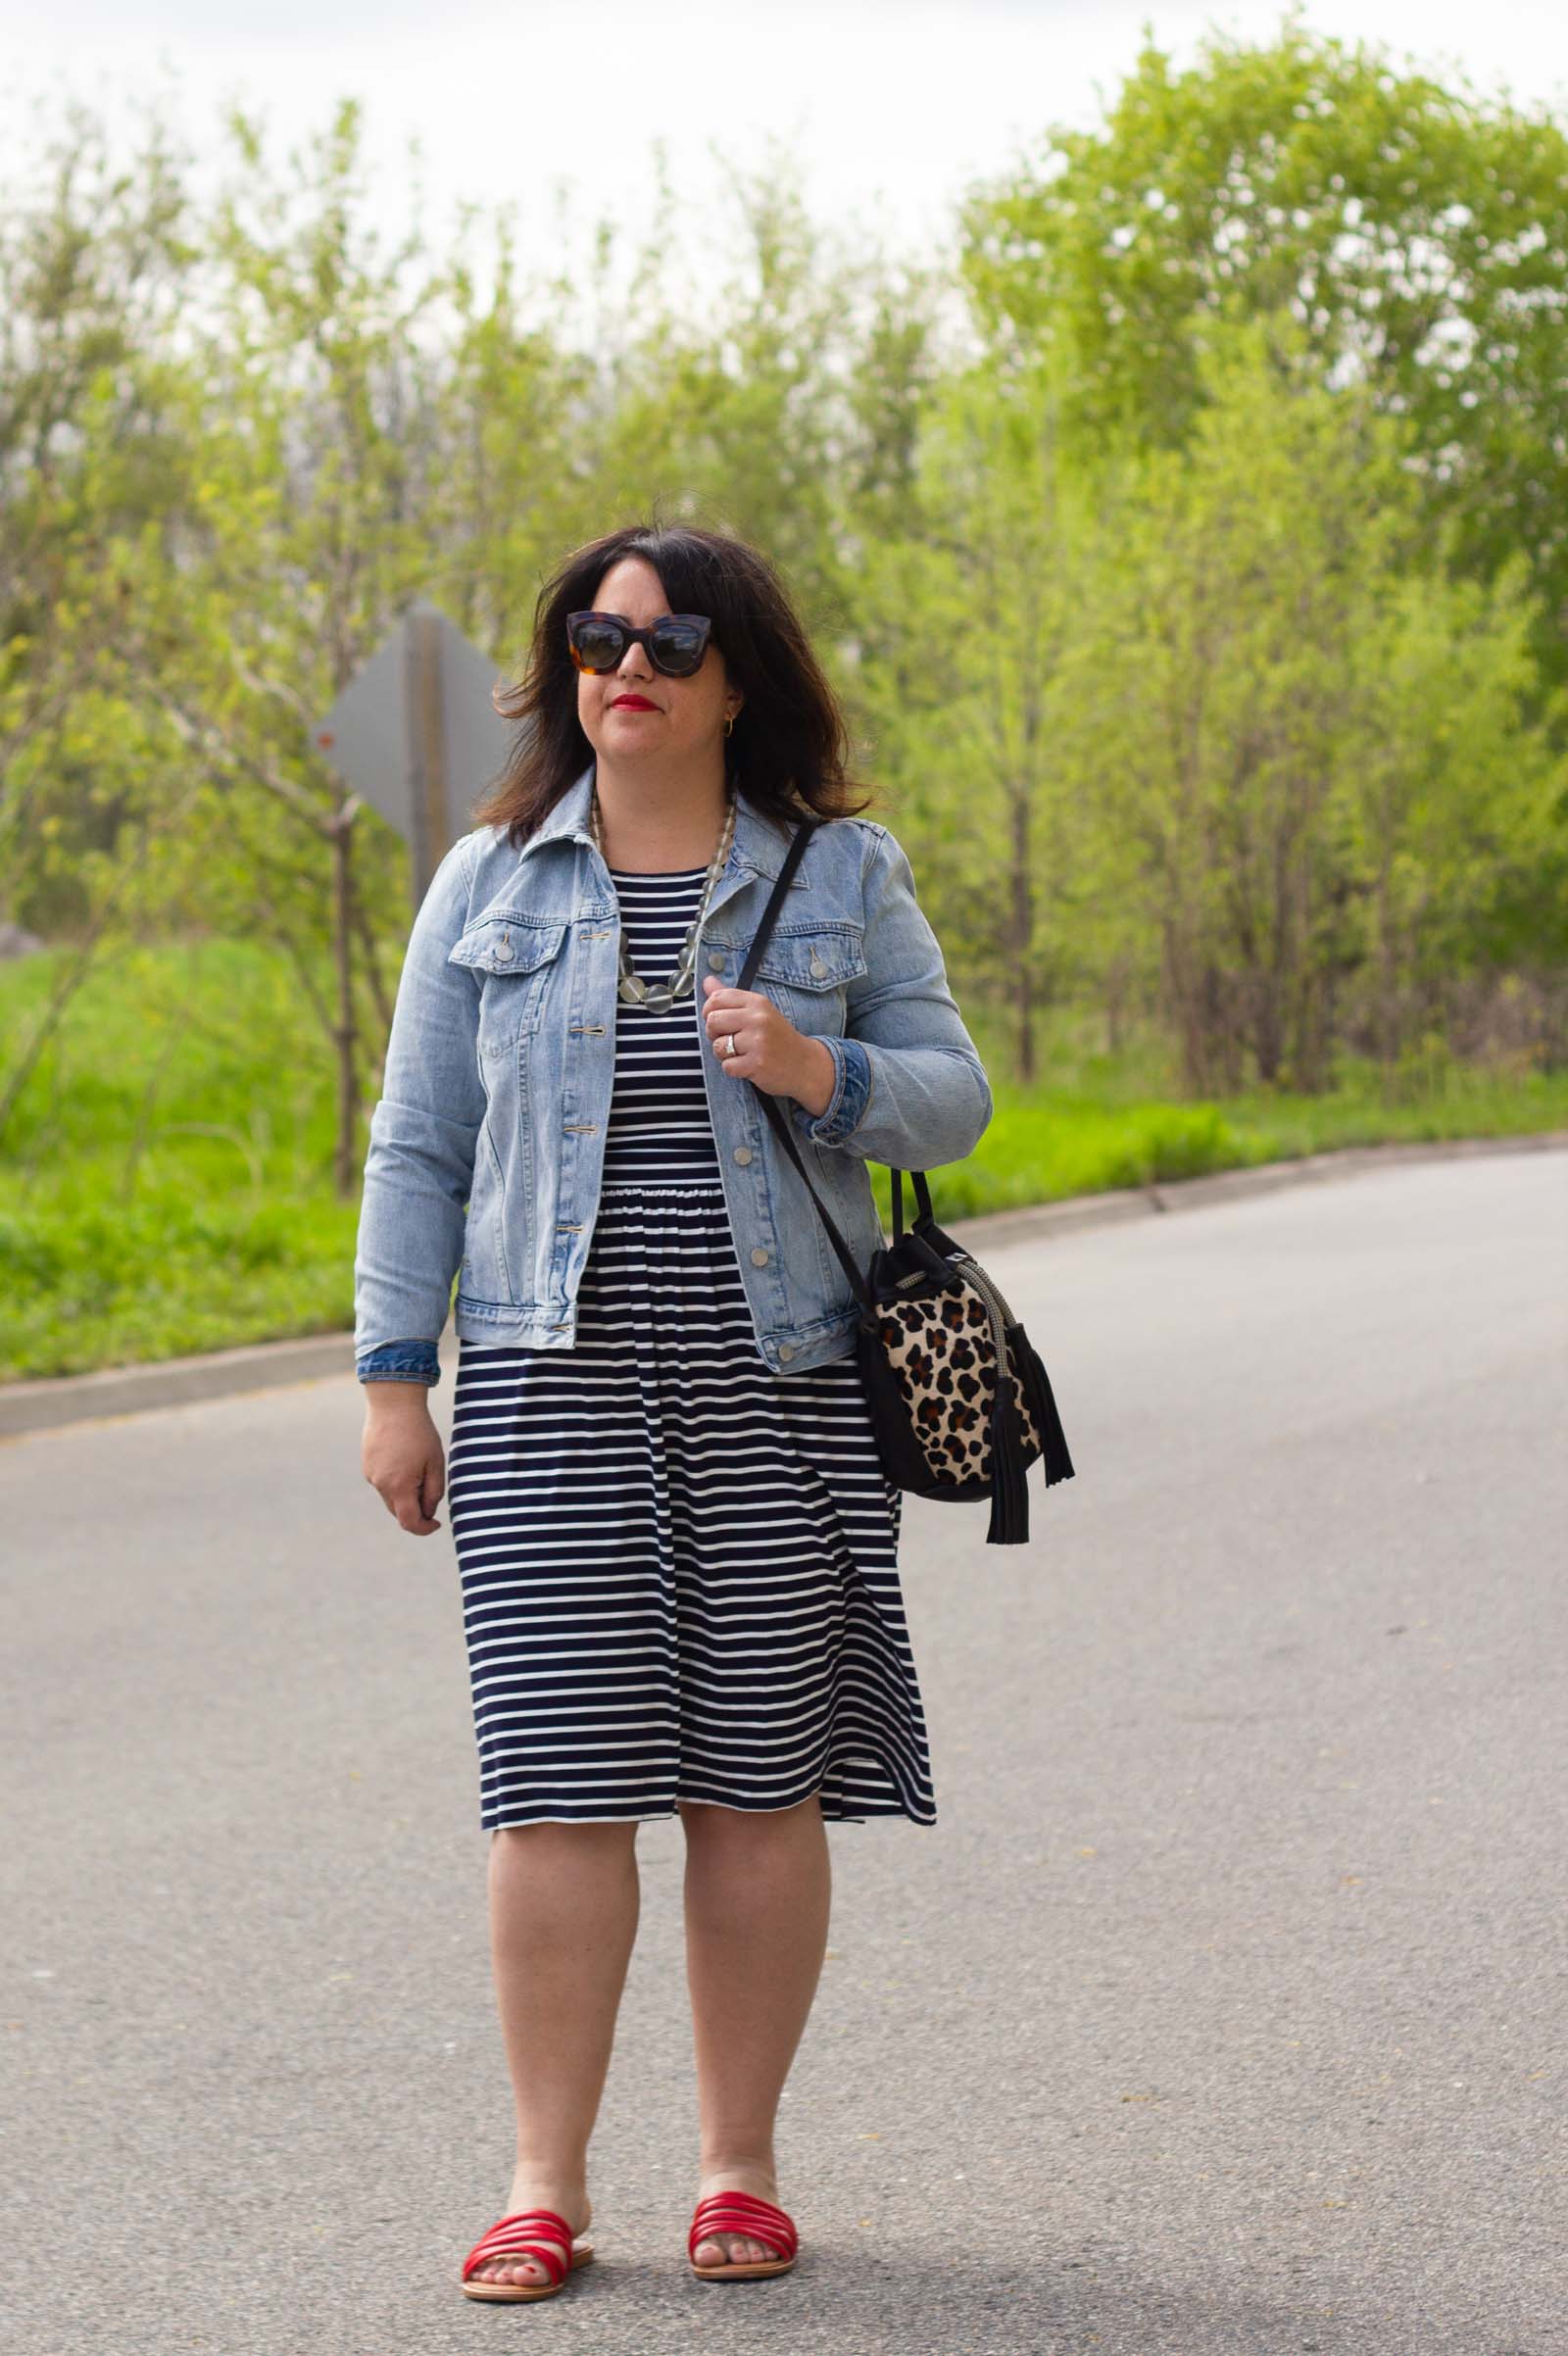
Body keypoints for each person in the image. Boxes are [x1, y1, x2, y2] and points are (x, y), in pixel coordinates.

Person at [353, 520, 992, 2300]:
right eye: (595, 633)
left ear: (738, 680)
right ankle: (543, 2184)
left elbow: (953, 1099)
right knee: (556, 1789)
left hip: (778, 1376)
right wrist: (397, 1381)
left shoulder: (843, 874)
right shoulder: (486, 883)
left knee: (755, 1788)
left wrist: (821, 1066)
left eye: (669, 636)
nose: (625, 664)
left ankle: (737, 2168)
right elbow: (419, 1149)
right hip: (549, 1382)